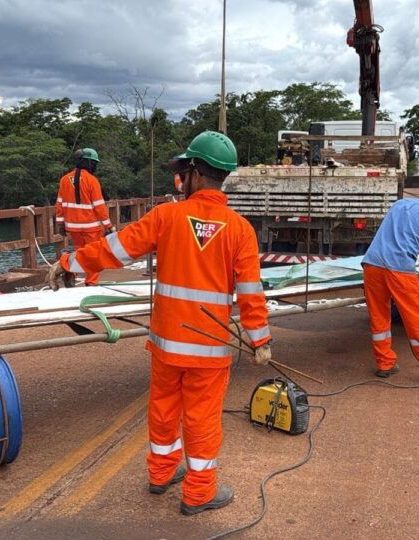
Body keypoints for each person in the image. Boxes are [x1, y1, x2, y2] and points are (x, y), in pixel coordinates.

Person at [47, 131, 272, 515]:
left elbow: (115, 250)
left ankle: (162, 473)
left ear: (196, 174)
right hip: (209, 349)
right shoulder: (240, 229)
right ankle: (199, 493)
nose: (181, 178)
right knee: (202, 419)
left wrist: (69, 262)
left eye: (184, 172)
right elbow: (251, 294)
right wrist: (260, 341)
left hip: (167, 343)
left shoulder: (166, 216)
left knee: (164, 409)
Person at [361, 198, 419, 383]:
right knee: (416, 318)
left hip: (372, 265)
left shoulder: (399, 204)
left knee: (379, 316)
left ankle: (385, 364)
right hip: (400, 270)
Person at [55, 148, 115, 286]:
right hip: (91, 227)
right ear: (89, 163)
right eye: (94, 163)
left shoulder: (64, 180)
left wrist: (60, 224)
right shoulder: (92, 180)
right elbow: (99, 207)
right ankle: (91, 282)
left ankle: (71, 274)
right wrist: (109, 226)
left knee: (79, 252)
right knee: (93, 254)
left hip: (73, 227)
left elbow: (59, 204)